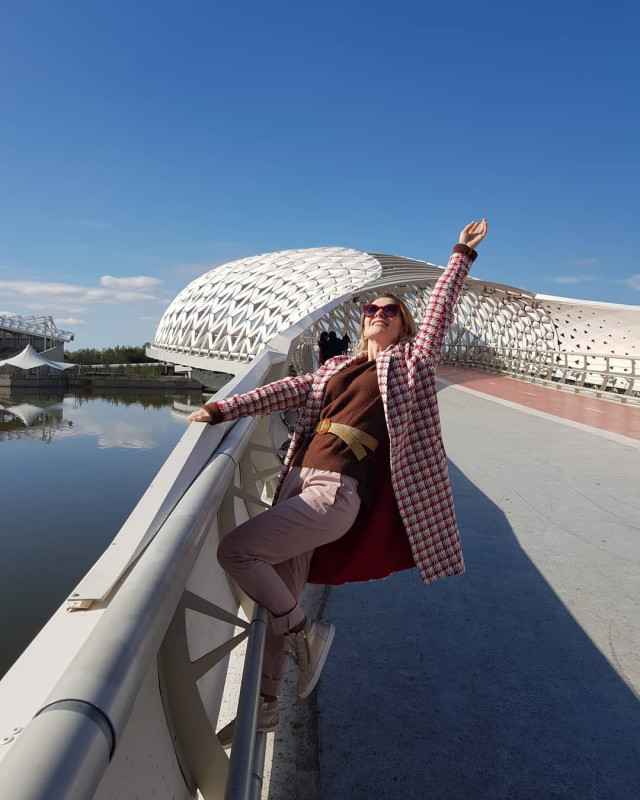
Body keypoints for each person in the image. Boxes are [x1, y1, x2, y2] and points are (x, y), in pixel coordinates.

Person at [188, 219, 488, 745]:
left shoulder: (410, 365)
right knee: (279, 596)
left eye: (389, 311)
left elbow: (440, 313)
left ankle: (304, 632)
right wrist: (220, 409)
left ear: (405, 326)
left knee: (237, 552)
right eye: (371, 309)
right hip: (295, 482)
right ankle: (265, 705)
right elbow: (281, 391)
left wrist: (461, 254)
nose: (377, 314)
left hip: (335, 492)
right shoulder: (334, 369)